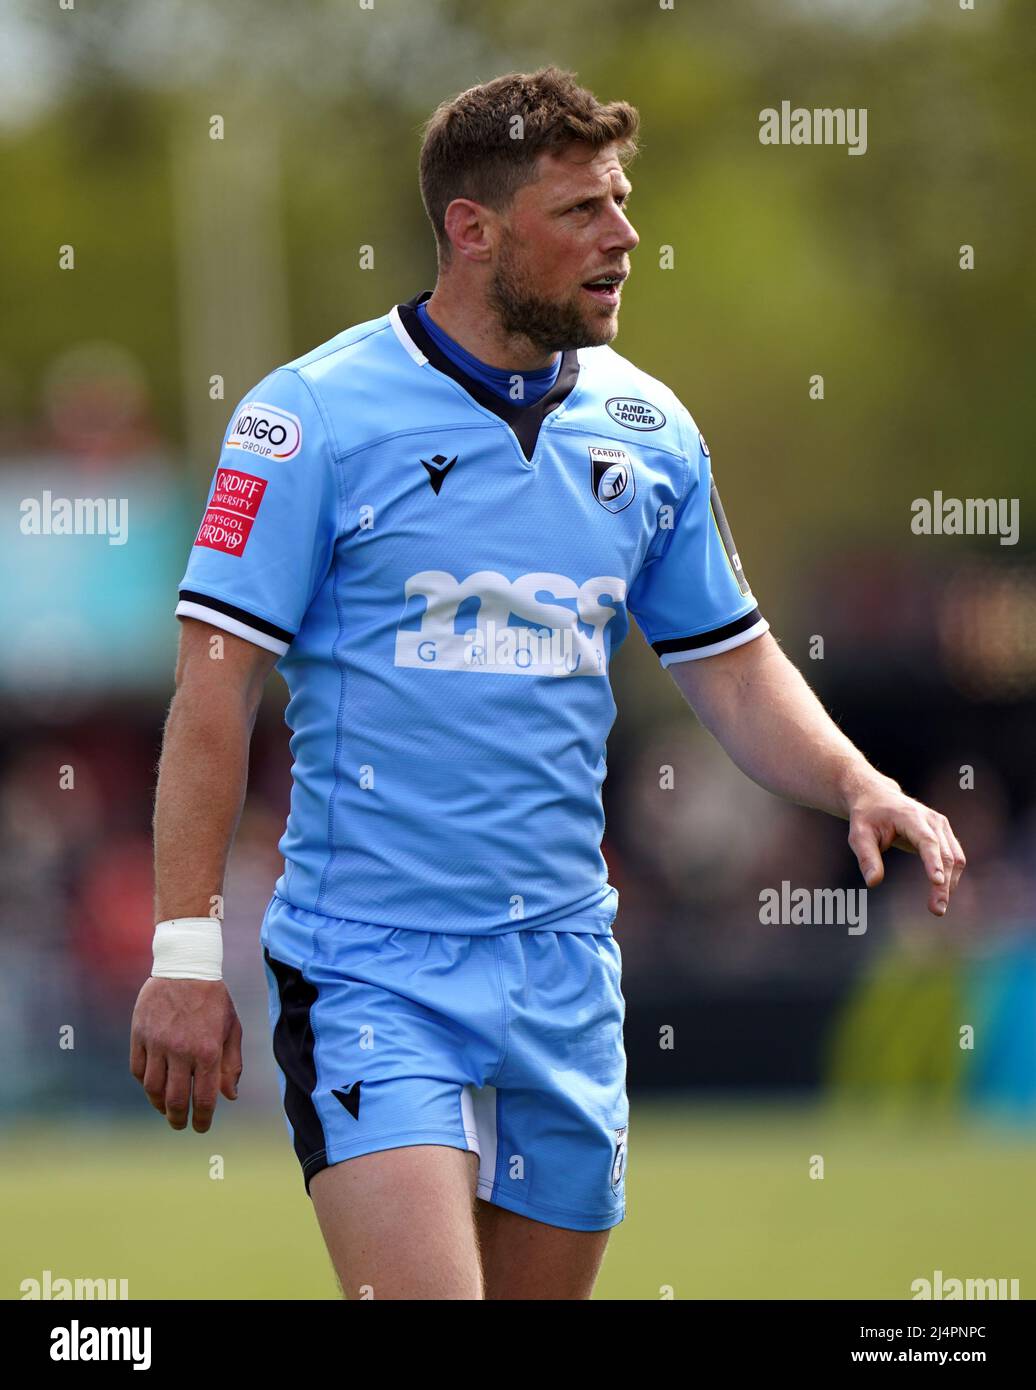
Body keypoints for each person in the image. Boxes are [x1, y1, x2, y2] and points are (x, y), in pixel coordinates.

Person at [130, 66, 966, 1300]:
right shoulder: (309, 417)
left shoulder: (650, 431)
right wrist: (187, 953)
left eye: (621, 202)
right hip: (371, 966)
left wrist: (857, 781)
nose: (625, 237)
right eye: (581, 209)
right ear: (472, 230)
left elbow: (731, 668)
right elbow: (213, 694)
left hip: (566, 966)